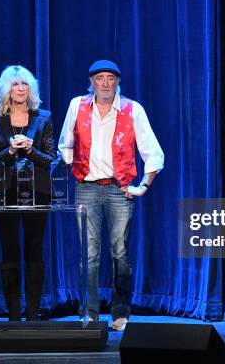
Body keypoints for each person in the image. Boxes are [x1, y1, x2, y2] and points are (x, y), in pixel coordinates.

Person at [58, 59, 164, 331]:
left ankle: (120, 313)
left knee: (120, 253)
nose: (105, 83)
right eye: (100, 78)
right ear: (91, 82)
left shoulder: (132, 109)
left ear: (117, 81)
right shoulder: (77, 106)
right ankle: (90, 313)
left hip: (119, 189)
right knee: (89, 253)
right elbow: (65, 145)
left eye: (110, 78)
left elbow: (153, 152)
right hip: (87, 188)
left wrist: (143, 185)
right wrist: (76, 164)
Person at [0, 65, 57, 320]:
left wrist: (29, 149)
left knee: (34, 247)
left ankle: (33, 311)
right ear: (6, 89)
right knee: (9, 248)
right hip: (3, 191)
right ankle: (14, 311)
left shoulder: (43, 117)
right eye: (15, 84)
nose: (20, 89)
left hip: (37, 191)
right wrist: (10, 151)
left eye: (24, 84)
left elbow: (50, 159)